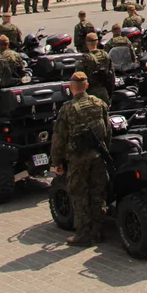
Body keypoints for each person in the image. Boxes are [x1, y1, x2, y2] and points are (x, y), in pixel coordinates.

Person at [51, 71, 111, 246]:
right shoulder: (99, 104)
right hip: (98, 155)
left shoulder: (68, 109)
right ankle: (97, 231)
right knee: (97, 193)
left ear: (71, 88)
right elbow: (107, 131)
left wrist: (57, 162)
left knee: (79, 195)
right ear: (87, 86)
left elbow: (59, 139)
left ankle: (83, 234)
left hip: (77, 159)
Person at [80, 33, 115, 103]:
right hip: (104, 92)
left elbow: (80, 81)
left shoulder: (85, 59)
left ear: (86, 43)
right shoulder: (106, 55)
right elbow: (112, 76)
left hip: (90, 94)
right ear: (97, 42)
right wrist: (110, 93)